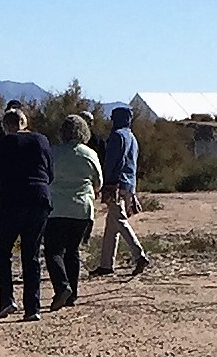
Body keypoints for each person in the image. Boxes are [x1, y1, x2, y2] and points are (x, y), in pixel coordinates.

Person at [0, 102, 54, 320]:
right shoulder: (41, 140)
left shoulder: (0, 144)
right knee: (31, 253)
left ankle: (7, 299)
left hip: (12, 201)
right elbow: (50, 172)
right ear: (25, 123)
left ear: (6, 126)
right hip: (39, 198)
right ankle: (32, 307)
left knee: (2, 251)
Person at [44, 114, 101, 309]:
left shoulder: (53, 152)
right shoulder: (89, 154)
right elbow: (98, 182)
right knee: (72, 251)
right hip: (81, 209)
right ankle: (72, 294)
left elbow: (46, 176)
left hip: (56, 208)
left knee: (53, 251)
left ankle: (61, 287)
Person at [94, 106, 151, 276]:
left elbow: (112, 162)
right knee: (112, 225)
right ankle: (106, 264)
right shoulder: (132, 137)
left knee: (119, 219)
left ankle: (139, 254)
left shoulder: (117, 136)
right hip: (128, 184)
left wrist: (104, 182)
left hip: (116, 184)